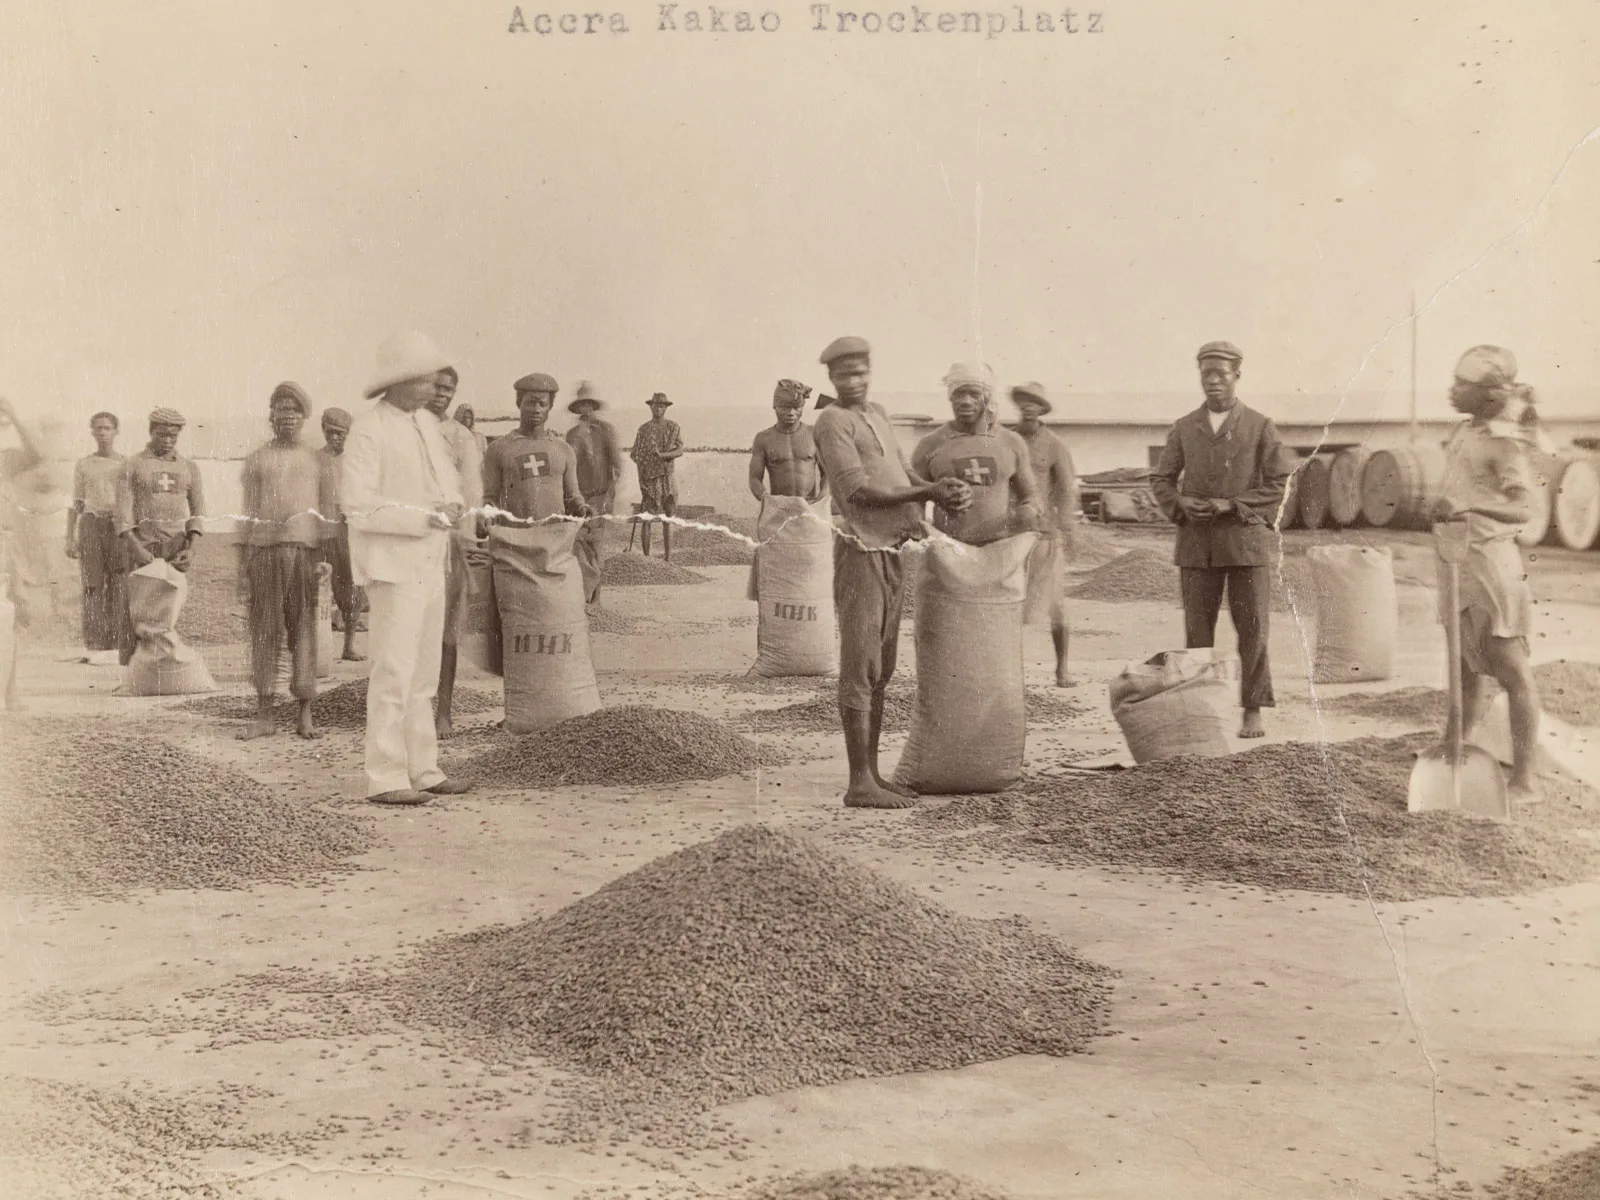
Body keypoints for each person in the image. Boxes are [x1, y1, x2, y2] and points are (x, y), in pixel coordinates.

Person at [812, 336, 970, 810]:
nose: (854, 381)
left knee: (882, 666)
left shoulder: (876, 414)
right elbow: (857, 491)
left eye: (860, 372)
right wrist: (929, 495)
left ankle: (874, 775)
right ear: (832, 379)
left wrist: (935, 489)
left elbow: (900, 476)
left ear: (870, 372)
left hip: (894, 549)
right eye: (844, 374)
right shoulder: (831, 421)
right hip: (861, 551)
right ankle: (858, 782)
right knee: (860, 663)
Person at [342, 331, 471, 807]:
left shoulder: (426, 424)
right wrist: (421, 518)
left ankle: (424, 768)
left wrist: (453, 505)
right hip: (393, 567)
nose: (436, 383)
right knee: (393, 671)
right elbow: (357, 506)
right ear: (399, 382)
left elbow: (448, 480)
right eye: (425, 377)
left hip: (429, 563)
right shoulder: (369, 429)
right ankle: (384, 775)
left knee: (424, 672)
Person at [1150, 341, 1294, 739]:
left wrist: (1231, 506)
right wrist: (1180, 504)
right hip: (1197, 545)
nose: (1213, 381)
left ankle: (1253, 709)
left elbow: (1278, 482)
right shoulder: (1184, 427)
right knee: (1197, 633)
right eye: (1206, 373)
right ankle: (1200, 710)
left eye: (1221, 373)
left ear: (1237, 376)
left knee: (1252, 629)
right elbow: (1161, 478)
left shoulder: (1260, 425)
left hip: (1246, 543)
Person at [1432, 345, 1545, 803]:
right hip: (1459, 563)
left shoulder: (1504, 442)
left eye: (1463, 385)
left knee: (1512, 671)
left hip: (1494, 570)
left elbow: (1524, 508)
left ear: (1487, 394)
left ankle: (1524, 780)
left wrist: (1470, 506)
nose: (1452, 391)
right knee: (1464, 665)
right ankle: (1452, 748)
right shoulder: (1463, 433)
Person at [237, 382, 338, 741]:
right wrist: (242, 565)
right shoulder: (257, 459)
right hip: (264, 553)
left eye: (294, 411)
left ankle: (305, 713)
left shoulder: (317, 459)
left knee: (304, 632)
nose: (288, 417)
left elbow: (327, 513)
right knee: (264, 632)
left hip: (305, 554)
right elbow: (246, 514)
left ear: (304, 417)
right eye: (281, 409)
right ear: (271, 415)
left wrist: (325, 559)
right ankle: (265, 714)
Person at [911, 363, 1040, 547]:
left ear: (986, 398)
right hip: (949, 550)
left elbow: (1031, 494)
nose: (966, 401)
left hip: (1000, 548)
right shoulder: (930, 444)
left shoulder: (1011, 442)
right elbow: (913, 498)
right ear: (950, 397)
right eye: (959, 394)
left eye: (974, 394)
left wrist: (1028, 510)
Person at [114, 407, 205, 666]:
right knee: (136, 609)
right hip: (142, 546)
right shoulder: (132, 465)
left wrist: (192, 547)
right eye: (162, 435)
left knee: (169, 609)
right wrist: (134, 547)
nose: (167, 440)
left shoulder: (189, 467)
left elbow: (198, 512)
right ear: (151, 431)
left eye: (173, 436)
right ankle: (132, 672)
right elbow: (122, 514)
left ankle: (165, 667)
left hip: (176, 548)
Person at [1006, 382, 1078, 687]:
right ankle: (1008, 672)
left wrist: (1067, 529)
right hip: (1007, 533)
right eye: (1023, 401)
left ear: (1042, 408)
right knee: (1006, 603)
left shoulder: (1055, 445)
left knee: (1056, 604)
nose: (1027, 406)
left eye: (1034, 402)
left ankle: (1062, 668)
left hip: (1044, 534)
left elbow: (1065, 490)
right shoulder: (1004, 439)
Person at [426, 367, 484, 740]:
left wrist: (466, 539)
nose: (441, 394)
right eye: (436, 388)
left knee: (447, 633)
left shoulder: (461, 437)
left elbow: (472, 493)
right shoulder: (404, 429)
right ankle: (411, 710)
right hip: (410, 543)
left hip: (449, 544)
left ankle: (443, 712)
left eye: (449, 389)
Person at [482, 374, 590, 524]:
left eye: (542, 404)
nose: (536, 409)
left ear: (550, 406)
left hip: (554, 541)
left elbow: (572, 496)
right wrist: (485, 516)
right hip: (513, 540)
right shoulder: (498, 449)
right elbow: (490, 498)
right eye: (531, 403)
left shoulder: (564, 450)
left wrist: (581, 507)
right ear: (519, 403)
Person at [66, 411, 127, 664]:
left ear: (116, 431)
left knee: (119, 583)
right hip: (91, 525)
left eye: (107, 428)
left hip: (117, 525)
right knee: (92, 585)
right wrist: (69, 536)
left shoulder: (126, 463)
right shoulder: (84, 464)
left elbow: (133, 502)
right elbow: (77, 503)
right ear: (92, 432)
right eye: (98, 428)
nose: (102, 432)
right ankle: (94, 643)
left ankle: (116, 642)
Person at [0, 396, 44, 709]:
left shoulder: (6, 460)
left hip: (5, 546)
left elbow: (35, 454)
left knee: (11, 619)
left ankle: (11, 692)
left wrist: (14, 416)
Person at [565, 381, 623, 605]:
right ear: (577, 407)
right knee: (577, 544)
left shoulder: (605, 431)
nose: (584, 408)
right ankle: (584, 593)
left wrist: (609, 496)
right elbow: (566, 466)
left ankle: (597, 598)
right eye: (581, 404)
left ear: (593, 406)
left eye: (588, 404)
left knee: (597, 545)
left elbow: (616, 467)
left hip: (600, 495)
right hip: (577, 497)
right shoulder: (571, 434)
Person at [318, 408, 365, 661]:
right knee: (318, 588)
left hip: (349, 533)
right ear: (323, 431)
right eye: (330, 432)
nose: (335, 438)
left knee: (352, 589)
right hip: (322, 532)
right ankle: (316, 648)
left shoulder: (357, 461)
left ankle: (349, 645)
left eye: (340, 434)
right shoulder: (314, 460)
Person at [749, 379, 826, 504]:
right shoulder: (763, 439)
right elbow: (754, 478)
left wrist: (822, 498)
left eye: (796, 407)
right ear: (775, 407)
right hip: (779, 506)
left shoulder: (814, 434)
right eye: (785, 408)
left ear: (802, 407)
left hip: (810, 505)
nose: (791, 413)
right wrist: (767, 499)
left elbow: (827, 473)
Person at [630, 392, 683, 560]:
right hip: (650, 478)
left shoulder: (673, 428)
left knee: (669, 516)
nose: (658, 408)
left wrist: (663, 456)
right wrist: (641, 481)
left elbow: (680, 450)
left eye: (662, 405)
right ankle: (647, 558)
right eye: (656, 405)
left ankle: (668, 558)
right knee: (647, 518)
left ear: (665, 408)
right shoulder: (643, 430)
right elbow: (637, 457)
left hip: (667, 476)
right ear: (651, 407)